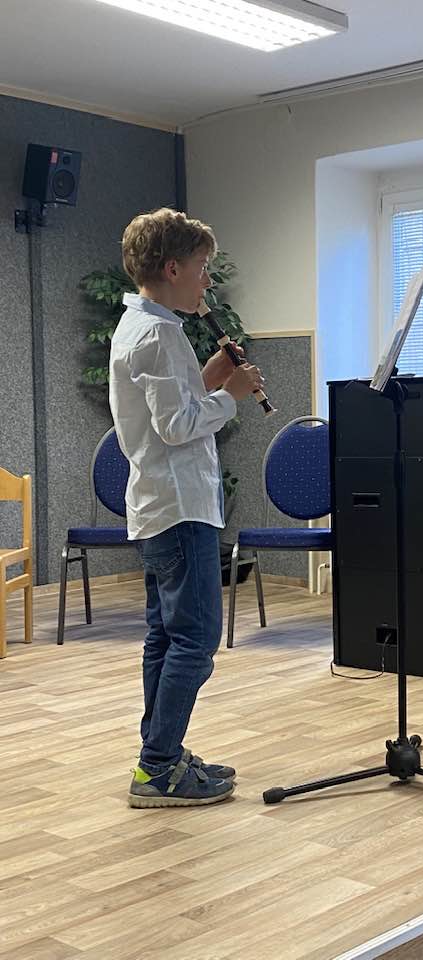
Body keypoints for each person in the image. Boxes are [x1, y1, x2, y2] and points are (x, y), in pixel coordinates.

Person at [109, 207, 265, 808]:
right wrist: (233, 394)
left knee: (165, 637)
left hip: (161, 504)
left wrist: (210, 378)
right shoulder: (159, 334)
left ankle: (161, 754)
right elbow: (177, 427)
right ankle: (157, 767)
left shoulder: (142, 326)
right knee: (195, 640)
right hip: (179, 508)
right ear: (172, 268)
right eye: (202, 268)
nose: (207, 281)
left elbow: (169, 409)